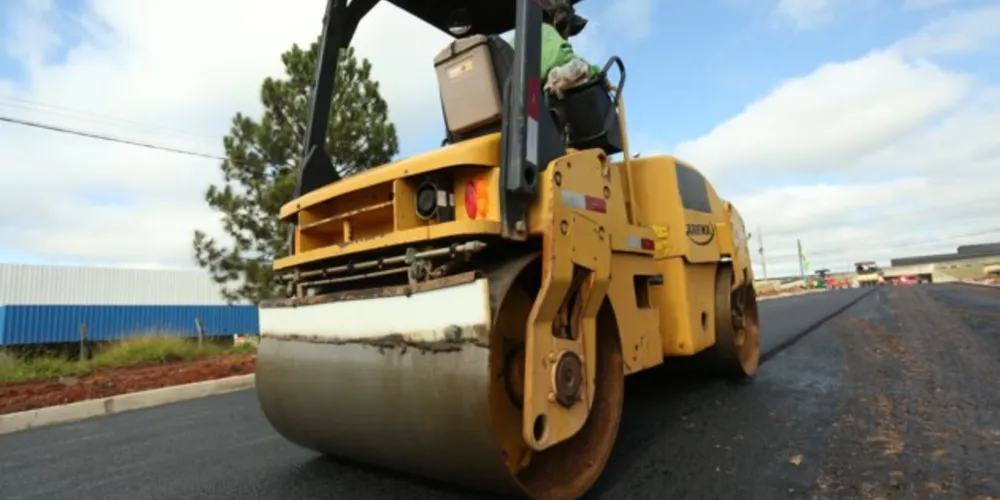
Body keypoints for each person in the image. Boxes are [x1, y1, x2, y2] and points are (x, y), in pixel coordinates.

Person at [508, 0, 602, 95]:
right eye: (568, 31)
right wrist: (595, 71)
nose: (567, 38)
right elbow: (565, 59)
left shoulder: (521, 38)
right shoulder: (542, 30)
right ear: (560, 22)